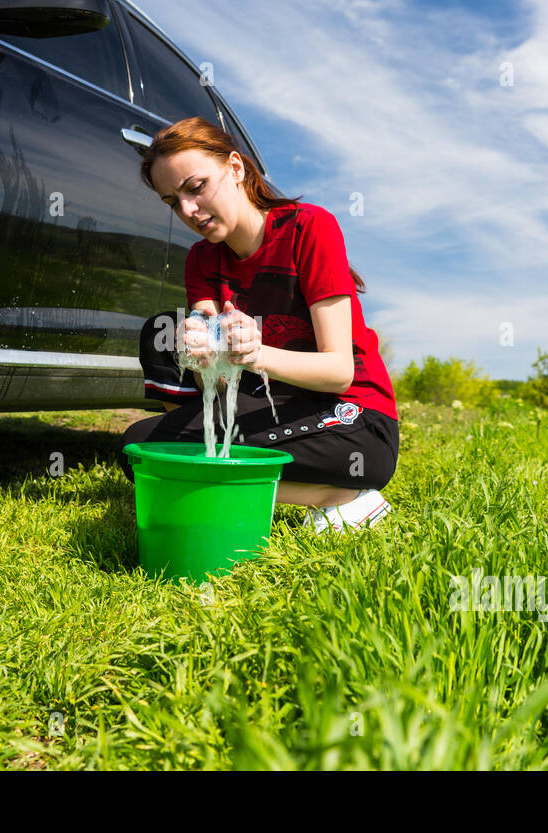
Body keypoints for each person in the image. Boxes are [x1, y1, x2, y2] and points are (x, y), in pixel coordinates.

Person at [117, 116, 398, 532]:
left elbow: (339, 372)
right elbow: (224, 385)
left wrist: (256, 353)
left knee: (161, 459)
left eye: (196, 188)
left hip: (351, 420)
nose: (189, 210)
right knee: (138, 444)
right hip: (271, 407)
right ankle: (210, 480)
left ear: (235, 168)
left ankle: (337, 495)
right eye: (172, 201)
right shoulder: (202, 259)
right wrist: (202, 355)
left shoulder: (309, 228)